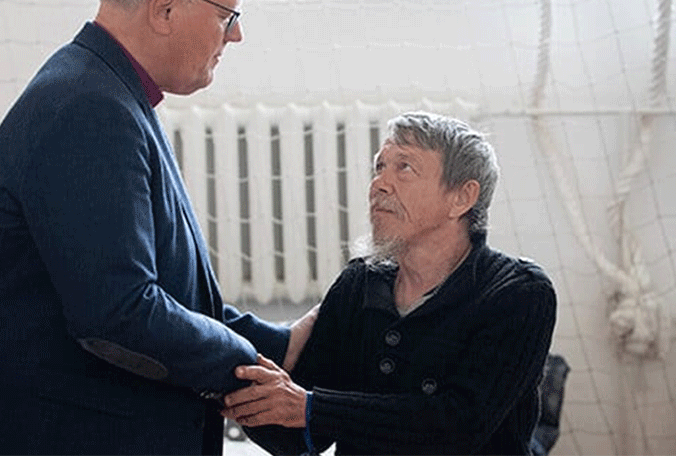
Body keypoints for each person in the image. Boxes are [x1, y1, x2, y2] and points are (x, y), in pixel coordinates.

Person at [0, 0, 316, 454]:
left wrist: (282, 344)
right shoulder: (86, 107)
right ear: (166, 7)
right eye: (228, 14)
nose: (236, 34)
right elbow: (120, 310)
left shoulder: (105, 90)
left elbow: (170, 287)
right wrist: (247, 367)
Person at [222, 112, 558, 455]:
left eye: (405, 167)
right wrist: (247, 399)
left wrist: (312, 408)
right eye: (379, 167)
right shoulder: (358, 284)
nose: (379, 184)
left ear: (461, 197)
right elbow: (301, 434)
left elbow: (459, 425)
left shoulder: (519, 293)